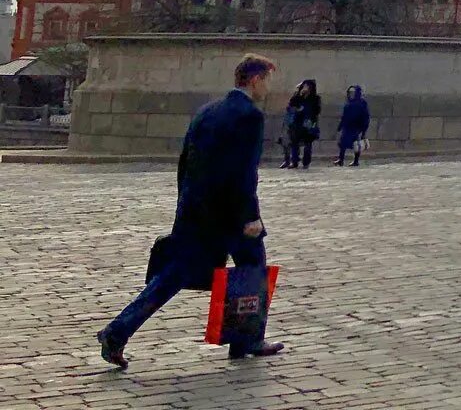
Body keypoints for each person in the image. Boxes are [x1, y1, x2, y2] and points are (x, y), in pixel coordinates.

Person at [97, 53, 285, 367]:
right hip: (231, 214)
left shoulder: (206, 111)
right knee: (252, 268)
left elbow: (185, 164)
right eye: (267, 80)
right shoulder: (250, 115)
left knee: (173, 276)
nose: (268, 87)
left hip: (196, 212)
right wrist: (250, 217)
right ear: (255, 79)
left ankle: (117, 331)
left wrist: (186, 205)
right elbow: (244, 171)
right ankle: (246, 339)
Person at [285, 79, 321, 170]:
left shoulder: (315, 98)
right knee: (294, 142)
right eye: (304, 86)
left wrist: (305, 110)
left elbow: (317, 110)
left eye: (307, 86)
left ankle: (306, 162)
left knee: (308, 143)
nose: (306, 88)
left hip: (309, 123)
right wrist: (299, 95)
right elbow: (290, 106)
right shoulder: (297, 96)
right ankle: (295, 161)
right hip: (297, 122)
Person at [334, 85, 370, 167]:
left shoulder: (362, 103)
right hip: (347, 126)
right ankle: (341, 159)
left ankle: (356, 161)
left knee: (356, 144)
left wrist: (364, 129)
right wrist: (340, 126)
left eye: (353, 92)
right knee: (343, 143)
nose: (351, 94)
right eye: (350, 92)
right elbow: (344, 115)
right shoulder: (349, 102)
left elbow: (365, 116)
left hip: (357, 127)